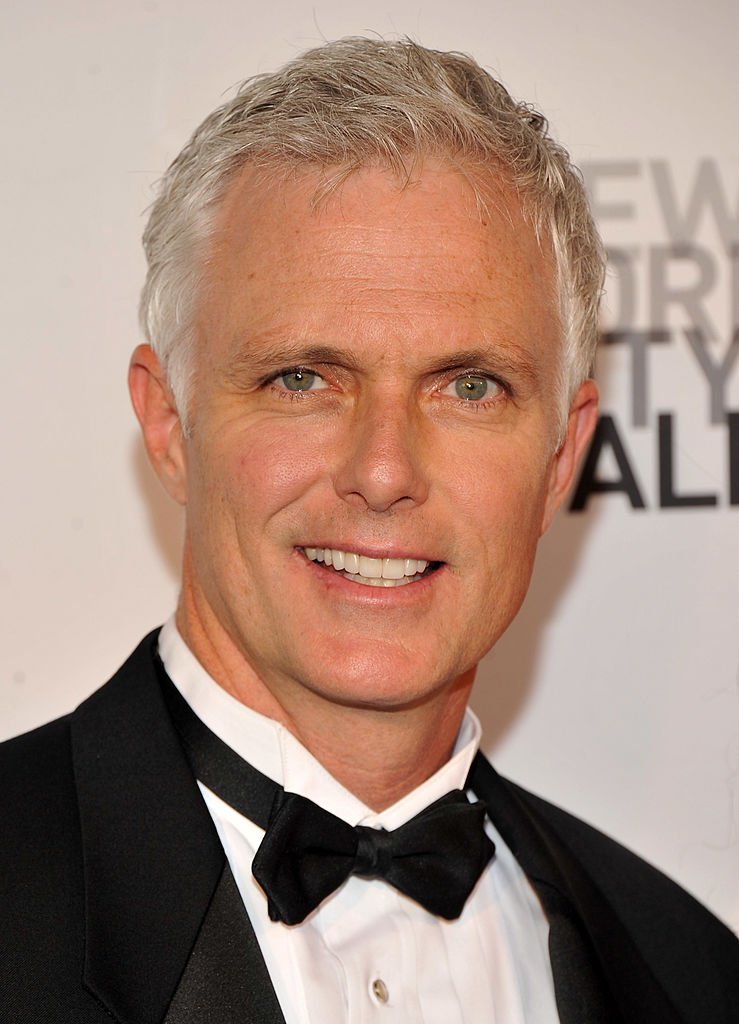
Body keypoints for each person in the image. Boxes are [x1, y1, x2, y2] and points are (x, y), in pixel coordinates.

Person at [1, 37, 736, 1024]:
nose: (384, 472)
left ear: (562, 456)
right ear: (168, 420)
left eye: (469, 386)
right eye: (301, 378)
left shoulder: (690, 972)